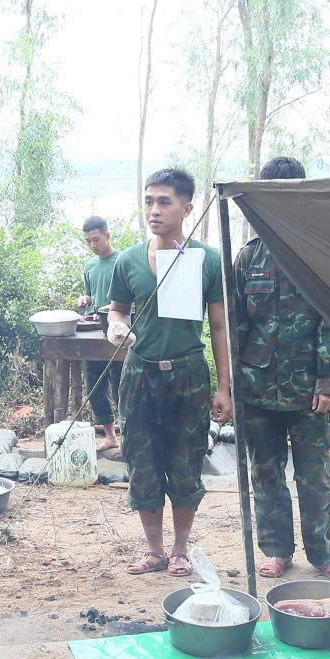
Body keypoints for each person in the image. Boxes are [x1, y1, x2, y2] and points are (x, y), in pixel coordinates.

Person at [105, 167, 232, 577]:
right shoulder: (127, 261)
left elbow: (218, 326)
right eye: (148, 201)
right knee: (140, 460)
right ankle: (154, 550)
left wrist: (224, 387)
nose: (154, 210)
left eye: (164, 202)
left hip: (189, 375)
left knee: (185, 462)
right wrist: (117, 328)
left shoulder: (207, 261)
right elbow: (118, 310)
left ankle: (180, 549)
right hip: (139, 374)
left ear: (187, 208)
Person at [228, 156, 330, 582]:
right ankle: (277, 549)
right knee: (266, 475)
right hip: (257, 388)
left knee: (314, 477)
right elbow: (235, 324)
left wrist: (327, 382)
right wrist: (232, 384)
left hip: (308, 390)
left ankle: (322, 553)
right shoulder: (248, 258)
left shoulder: (317, 256)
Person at [76, 215, 122, 450]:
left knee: (121, 386)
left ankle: (129, 436)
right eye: (88, 241)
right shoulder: (90, 266)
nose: (93, 245)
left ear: (107, 235)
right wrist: (86, 299)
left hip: (120, 333)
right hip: (95, 332)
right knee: (94, 384)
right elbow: (93, 296)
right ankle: (110, 436)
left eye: (96, 239)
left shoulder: (122, 261)